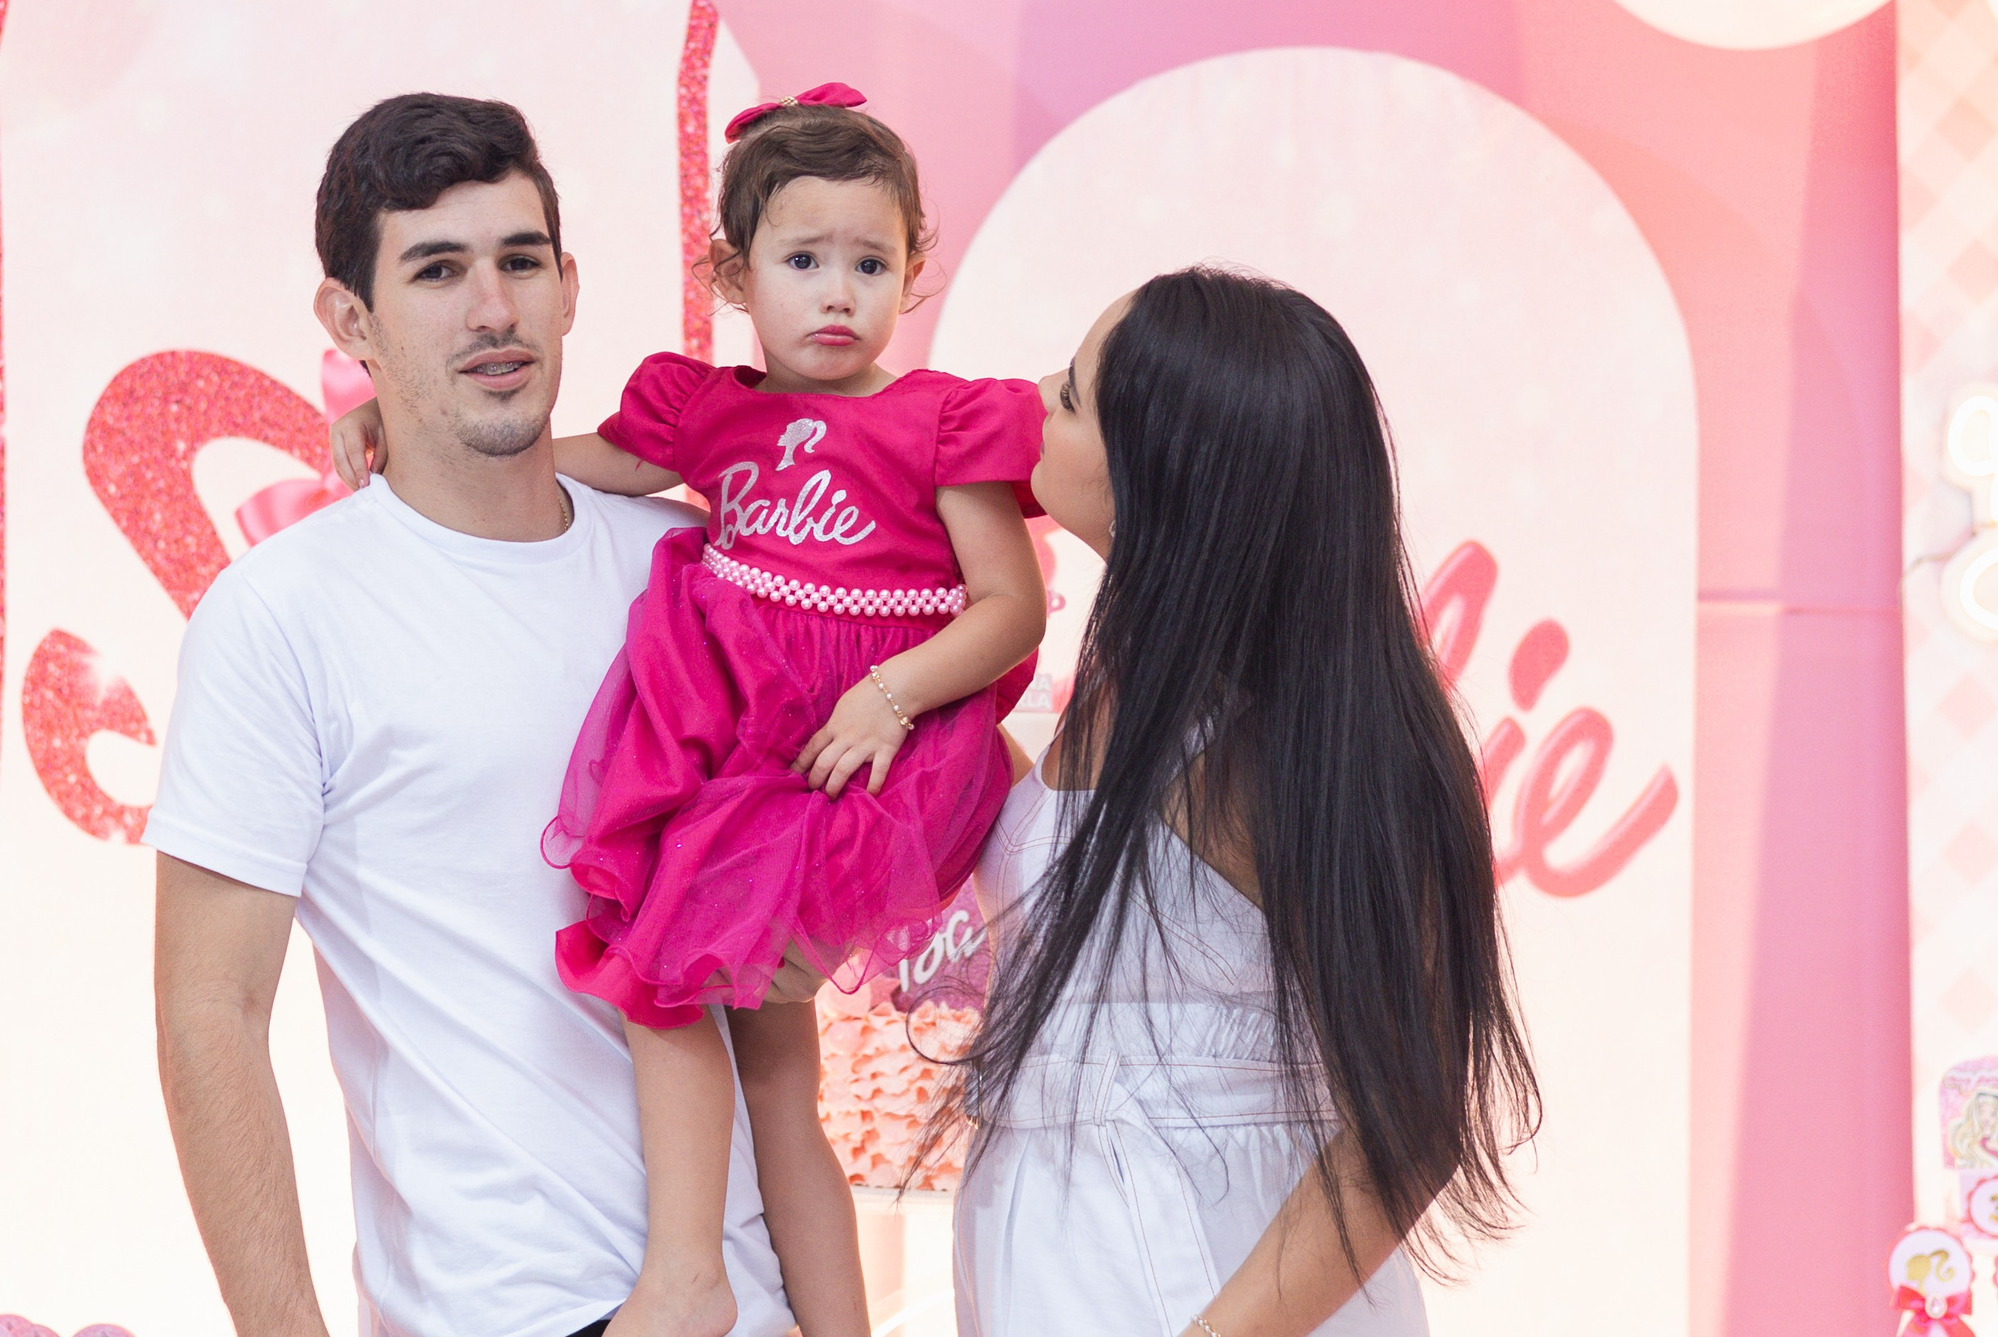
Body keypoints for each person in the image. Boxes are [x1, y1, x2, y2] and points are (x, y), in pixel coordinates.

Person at [331, 86, 1049, 1337]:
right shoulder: (710, 415)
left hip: (863, 765)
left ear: (913, 268)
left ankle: (689, 1282)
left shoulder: (936, 424)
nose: (837, 293)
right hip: (743, 766)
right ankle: (726, 1282)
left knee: (682, 985)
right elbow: (556, 457)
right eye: (803, 260)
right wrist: (398, 422)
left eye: (870, 264)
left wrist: (892, 693)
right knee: (764, 1067)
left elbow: (1009, 610)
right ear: (734, 271)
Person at [146, 93, 794, 1337]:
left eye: (520, 261)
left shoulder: (694, 562)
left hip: (742, 1302)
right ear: (352, 320)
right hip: (498, 1309)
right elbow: (208, 1012)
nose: (493, 310)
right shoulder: (286, 614)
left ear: (567, 284)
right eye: (437, 271)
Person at [945, 268, 1541, 1337]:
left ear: (1161, 475)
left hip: (1201, 1294)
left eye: (1073, 393)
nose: (1034, 394)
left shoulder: (1297, 735)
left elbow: (1403, 1125)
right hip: (1048, 1273)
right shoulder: (1123, 687)